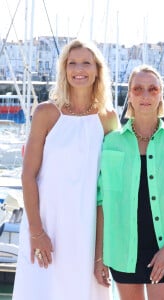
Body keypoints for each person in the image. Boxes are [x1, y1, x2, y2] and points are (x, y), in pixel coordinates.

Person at [13, 39, 119, 300]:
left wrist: (101, 253)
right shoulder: (46, 113)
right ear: (64, 69)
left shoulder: (108, 118)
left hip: (87, 227)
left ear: (97, 70)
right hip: (46, 223)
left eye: (86, 62)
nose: (78, 69)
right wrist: (36, 232)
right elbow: (28, 175)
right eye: (72, 63)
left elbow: (108, 188)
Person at [94, 65, 164, 300]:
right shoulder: (110, 144)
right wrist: (99, 256)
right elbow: (102, 201)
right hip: (122, 249)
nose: (145, 95)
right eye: (138, 89)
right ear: (129, 95)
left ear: (160, 94)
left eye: (152, 89)